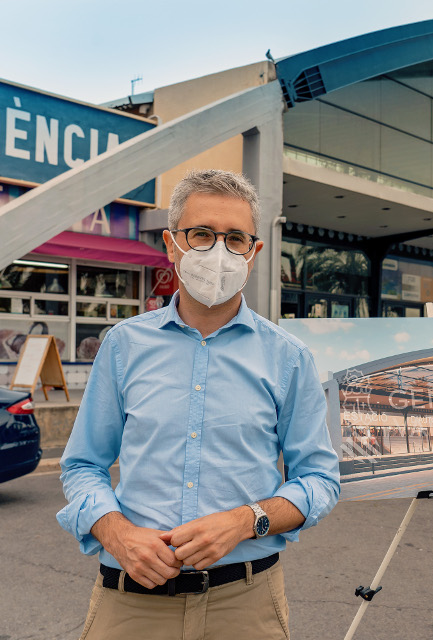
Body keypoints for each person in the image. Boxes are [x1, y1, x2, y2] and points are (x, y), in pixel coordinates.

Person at [57, 170, 341, 639]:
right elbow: (83, 464)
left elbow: (319, 479)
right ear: (172, 244)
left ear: (254, 251)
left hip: (246, 604)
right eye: (203, 234)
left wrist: (245, 521)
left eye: (235, 238)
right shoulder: (124, 345)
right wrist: (116, 532)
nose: (219, 252)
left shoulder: (288, 358)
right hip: (130, 602)